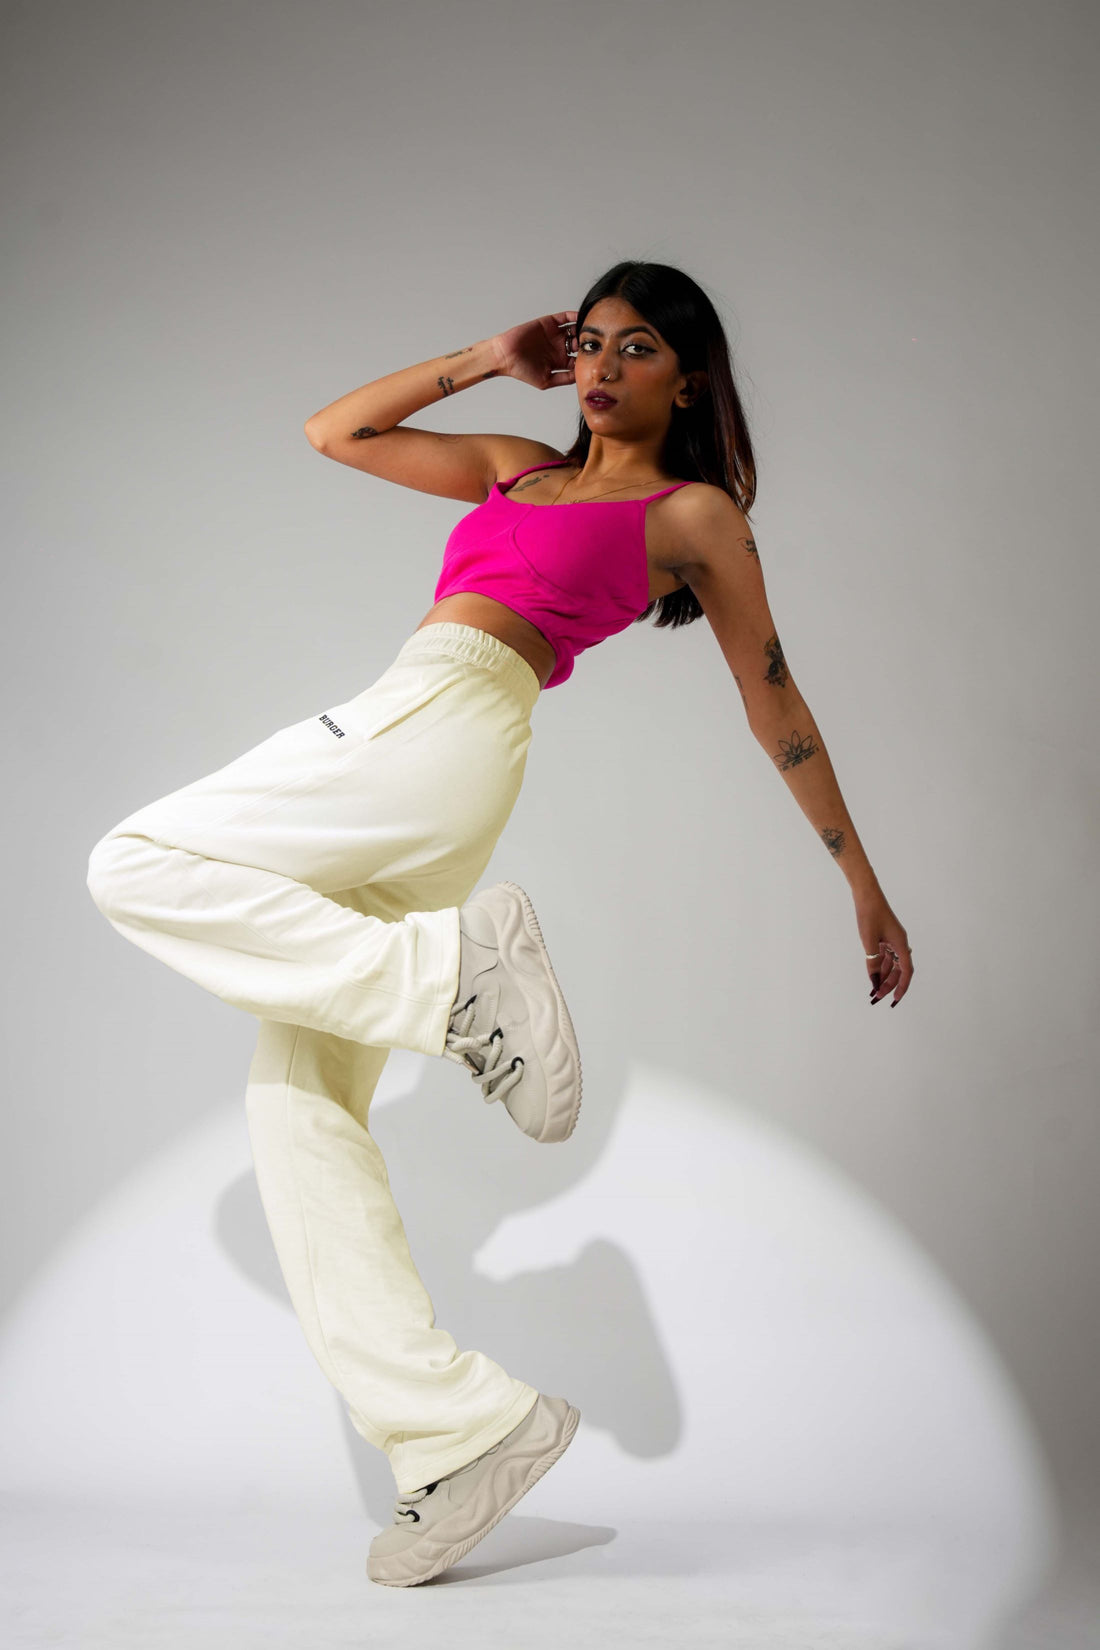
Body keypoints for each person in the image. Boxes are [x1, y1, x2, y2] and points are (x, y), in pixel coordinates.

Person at [85, 258, 914, 1588]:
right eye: (588, 342)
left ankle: (447, 977)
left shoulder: (691, 511)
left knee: (130, 863)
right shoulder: (515, 468)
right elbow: (336, 432)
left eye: (635, 347)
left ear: (688, 380)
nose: (601, 366)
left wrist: (859, 880)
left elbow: (776, 700)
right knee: (299, 1112)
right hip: (420, 742)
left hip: (445, 735)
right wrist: (486, 354)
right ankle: (459, 1432)